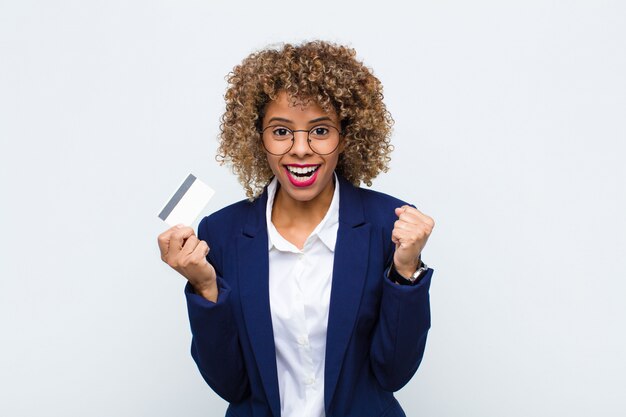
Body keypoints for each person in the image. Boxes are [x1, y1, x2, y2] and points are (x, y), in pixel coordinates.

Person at [157, 40, 435, 417]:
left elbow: (393, 374)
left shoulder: (390, 225)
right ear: (259, 138)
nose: (301, 149)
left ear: (345, 137)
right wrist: (205, 288)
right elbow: (230, 384)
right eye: (281, 131)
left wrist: (405, 272)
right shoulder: (220, 232)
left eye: (320, 131)